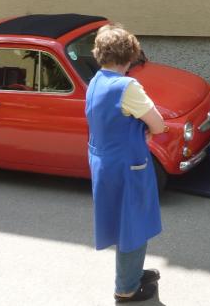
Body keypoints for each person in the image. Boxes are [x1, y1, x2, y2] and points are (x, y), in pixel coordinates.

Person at [85, 24, 167, 302]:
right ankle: (126, 288)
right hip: (127, 164)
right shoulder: (127, 86)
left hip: (103, 160)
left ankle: (131, 273)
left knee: (126, 222)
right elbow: (158, 125)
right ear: (130, 54)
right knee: (133, 223)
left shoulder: (96, 80)